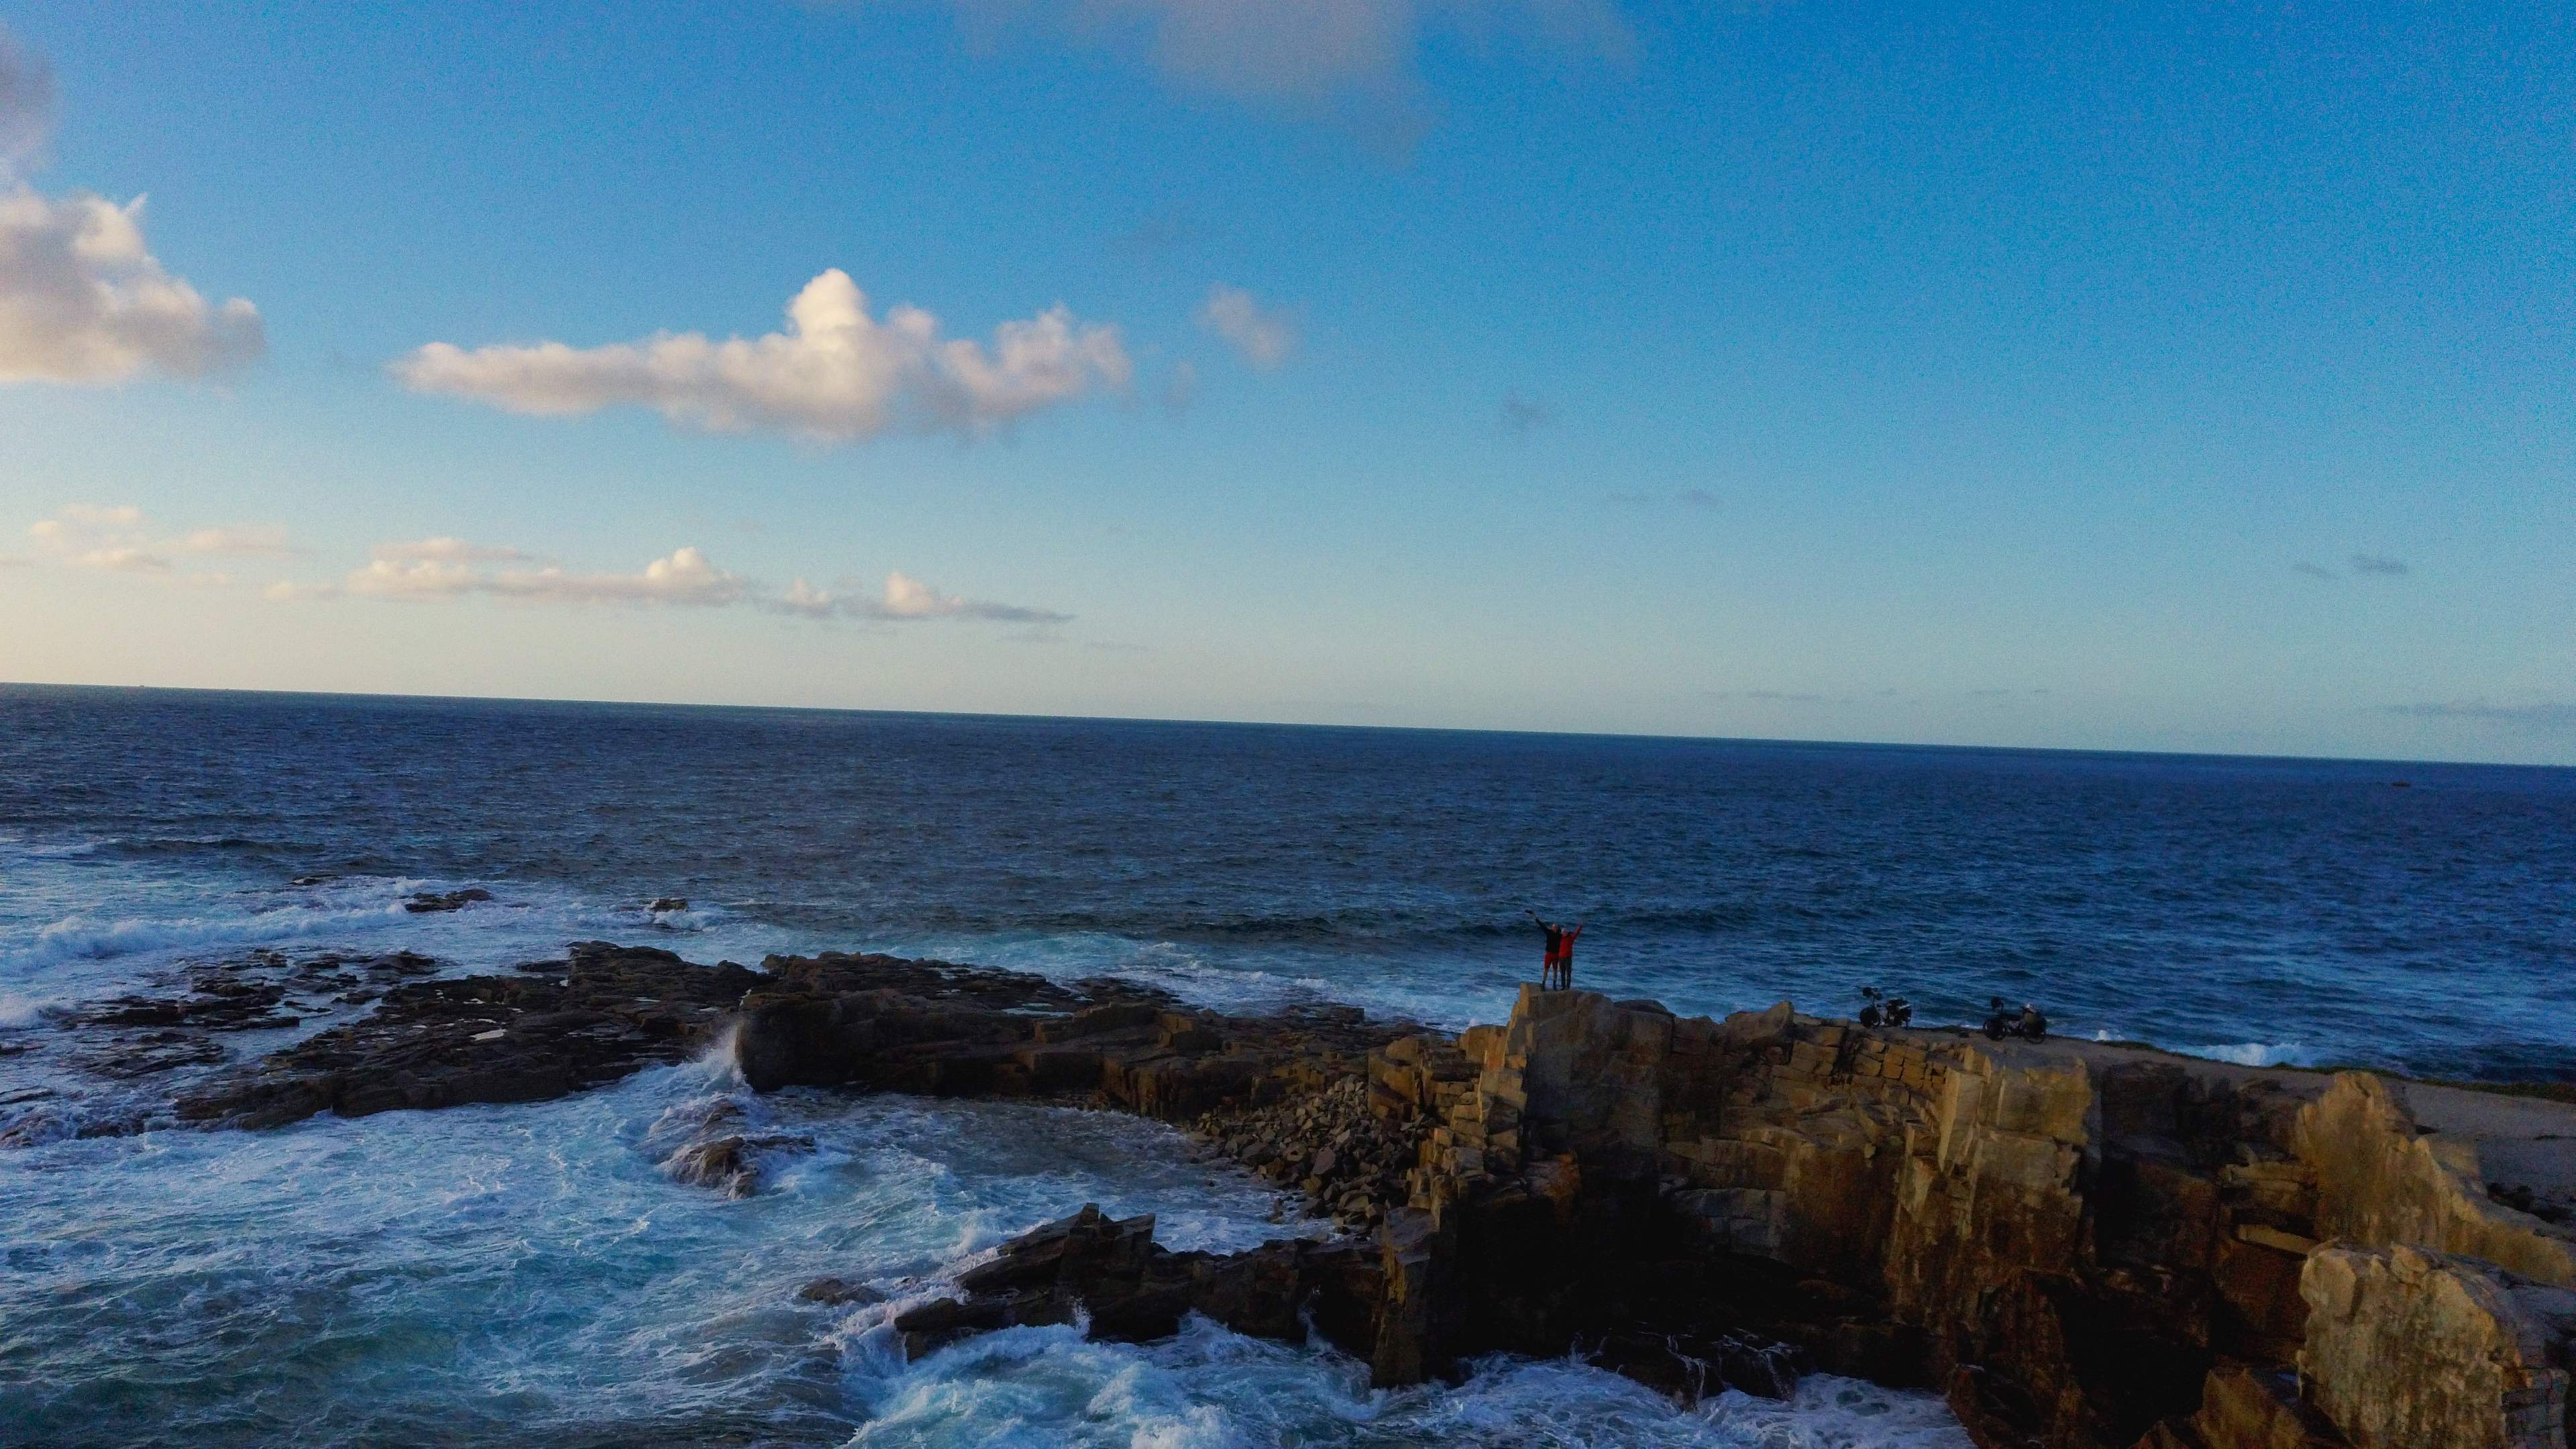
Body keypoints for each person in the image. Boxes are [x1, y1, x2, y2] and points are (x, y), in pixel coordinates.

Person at [1527, 910, 1584, 990]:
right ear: (1552, 928)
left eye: (1556, 928)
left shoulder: (1560, 935)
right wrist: (1534, 917)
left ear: (1558, 929)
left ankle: (1554, 984)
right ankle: (1543, 983)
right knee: (1546, 969)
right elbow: (1541, 925)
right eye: (1554, 927)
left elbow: (1568, 934)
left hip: (1556, 955)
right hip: (1549, 954)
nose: (1555, 929)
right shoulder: (1549, 932)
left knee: (1555, 970)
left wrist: (1579, 927)